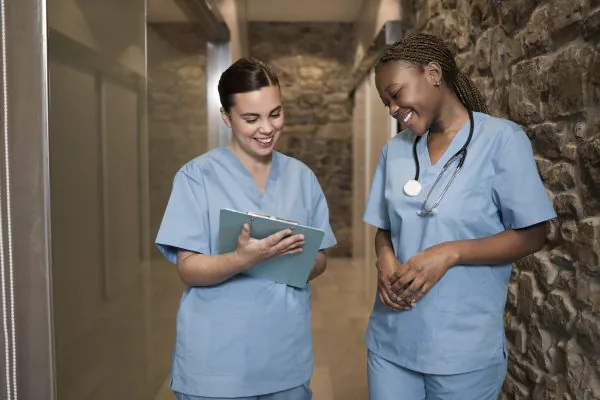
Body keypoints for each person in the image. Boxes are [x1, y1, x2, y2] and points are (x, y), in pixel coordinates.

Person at [362, 33, 557, 399]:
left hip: (463, 351)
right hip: (391, 343)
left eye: (396, 94)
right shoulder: (396, 151)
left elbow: (534, 234)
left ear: (433, 74)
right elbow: (385, 228)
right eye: (386, 101)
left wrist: (449, 252)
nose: (392, 109)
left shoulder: (501, 140)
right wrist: (384, 259)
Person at [155, 57, 336, 400]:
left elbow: (321, 259)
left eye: (275, 114)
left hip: (284, 359)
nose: (266, 128)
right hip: (215, 364)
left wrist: (292, 257)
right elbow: (189, 269)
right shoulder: (197, 177)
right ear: (226, 116)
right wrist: (242, 259)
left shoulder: (302, 177)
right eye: (251, 118)